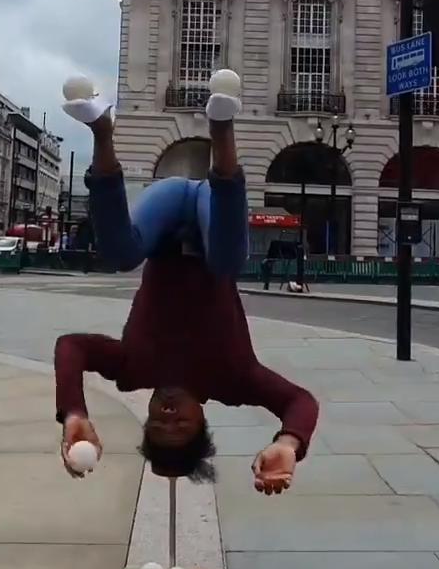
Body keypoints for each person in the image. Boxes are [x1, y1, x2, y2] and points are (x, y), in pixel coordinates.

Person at [53, 72, 318, 495]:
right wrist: (288, 442)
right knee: (228, 261)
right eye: (181, 424)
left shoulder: (132, 370)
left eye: (158, 422)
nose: (169, 413)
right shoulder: (234, 380)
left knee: (121, 256)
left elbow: (71, 346)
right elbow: (300, 401)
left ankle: (101, 130)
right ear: (202, 418)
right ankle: (222, 128)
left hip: (170, 208)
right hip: (211, 216)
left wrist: (73, 412)